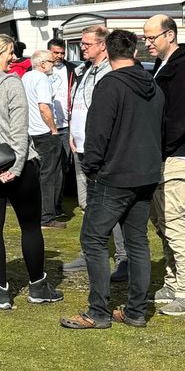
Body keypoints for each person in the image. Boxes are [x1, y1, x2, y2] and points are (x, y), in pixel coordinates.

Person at [60, 31, 162, 330]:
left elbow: (98, 133)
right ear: (135, 51)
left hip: (115, 175)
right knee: (137, 242)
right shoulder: (154, 86)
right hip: (145, 174)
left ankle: (99, 311)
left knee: (93, 239)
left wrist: (91, 168)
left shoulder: (110, 85)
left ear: (108, 50)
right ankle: (135, 311)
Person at [0, 34, 63, 310]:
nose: (13, 57)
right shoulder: (12, 84)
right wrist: (15, 169)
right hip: (17, 165)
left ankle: (0, 290)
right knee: (30, 227)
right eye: (9, 53)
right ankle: (38, 286)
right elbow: (19, 133)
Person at [143, 14, 185, 317]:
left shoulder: (184, 67)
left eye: (151, 37)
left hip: (178, 155)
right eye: (145, 38)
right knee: (162, 221)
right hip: (163, 155)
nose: (147, 43)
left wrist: (157, 150)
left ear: (169, 35)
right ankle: (172, 282)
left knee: (176, 222)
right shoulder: (163, 65)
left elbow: (177, 119)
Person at [61, 26, 129, 280]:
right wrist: (72, 131)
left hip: (101, 151)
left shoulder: (110, 73)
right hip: (81, 148)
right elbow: (79, 106)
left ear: (103, 45)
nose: (83, 48)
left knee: (111, 206)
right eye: (82, 44)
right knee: (87, 204)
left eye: (87, 44)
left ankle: (123, 259)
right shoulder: (84, 71)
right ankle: (88, 253)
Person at [21, 49, 66, 228]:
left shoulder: (26, 77)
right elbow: (44, 107)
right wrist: (53, 129)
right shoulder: (41, 79)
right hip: (43, 132)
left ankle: (36, 211)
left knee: (35, 173)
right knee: (51, 174)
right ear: (42, 64)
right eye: (50, 60)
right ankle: (47, 216)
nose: (54, 63)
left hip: (30, 131)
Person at [47, 38, 76, 216]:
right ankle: (45, 206)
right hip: (45, 126)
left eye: (62, 53)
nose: (59, 56)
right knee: (47, 168)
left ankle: (57, 205)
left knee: (63, 167)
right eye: (55, 52)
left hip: (65, 125)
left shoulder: (72, 70)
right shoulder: (39, 69)